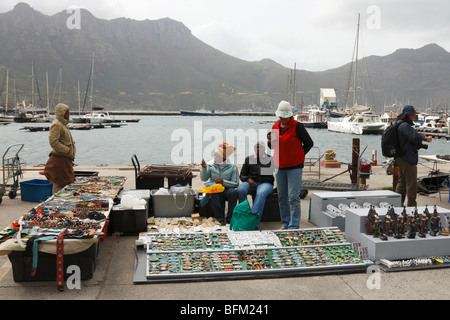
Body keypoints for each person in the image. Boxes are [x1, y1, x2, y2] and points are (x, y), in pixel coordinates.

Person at [268, 100, 314, 229]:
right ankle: (285, 223)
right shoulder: (275, 126)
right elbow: (272, 146)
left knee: (293, 197)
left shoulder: (297, 126)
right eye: (281, 115)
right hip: (280, 167)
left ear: (290, 115)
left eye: (285, 115)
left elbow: (309, 143)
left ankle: (294, 226)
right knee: (282, 197)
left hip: (294, 167)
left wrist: (299, 155)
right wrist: (270, 140)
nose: (283, 118)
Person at [395, 105, 432, 207]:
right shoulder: (405, 126)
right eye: (413, 115)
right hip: (407, 158)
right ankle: (412, 207)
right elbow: (414, 137)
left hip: (400, 157)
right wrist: (423, 136)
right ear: (409, 115)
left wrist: (420, 137)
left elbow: (410, 137)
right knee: (411, 184)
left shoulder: (399, 124)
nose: (414, 117)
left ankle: (398, 205)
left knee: (401, 183)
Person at [236, 142, 274, 228]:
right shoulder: (249, 159)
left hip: (266, 183)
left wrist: (257, 180)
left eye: (260, 147)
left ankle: (253, 221)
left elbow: (270, 175)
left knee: (261, 193)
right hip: (251, 182)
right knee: (240, 190)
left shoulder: (270, 159)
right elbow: (242, 174)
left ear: (264, 149)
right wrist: (248, 179)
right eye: (256, 147)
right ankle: (244, 215)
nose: (257, 149)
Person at [200, 142, 239, 225]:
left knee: (233, 192)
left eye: (218, 156)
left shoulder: (232, 167)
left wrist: (223, 182)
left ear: (224, 157)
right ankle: (220, 218)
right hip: (215, 190)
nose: (215, 157)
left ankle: (229, 218)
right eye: (215, 155)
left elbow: (235, 183)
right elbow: (204, 178)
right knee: (212, 194)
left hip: (227, 190)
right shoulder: (210, 165)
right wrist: (204, 168)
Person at [44, 103, 76, 193]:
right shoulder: (56, 125)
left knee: (64, 184)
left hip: (65, 160)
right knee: (59, 184)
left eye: (69, 113)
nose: (68, 115)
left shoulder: (63, 125)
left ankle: (59, 202)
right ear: (61, 113)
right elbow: (53, 142)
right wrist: (67, 150)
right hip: (60, 160)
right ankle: (57, 203)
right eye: (67, 113)